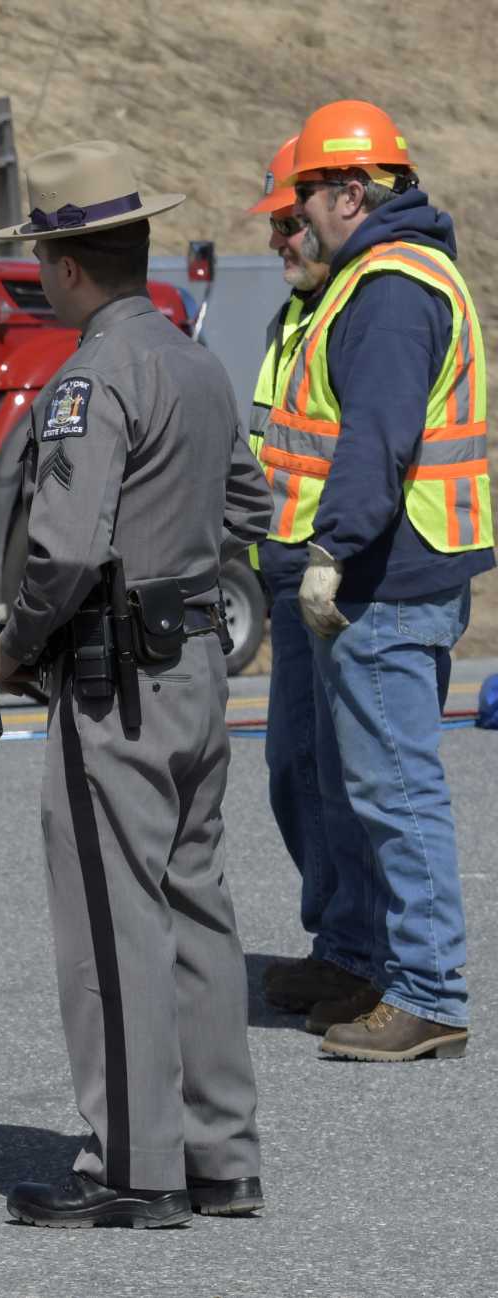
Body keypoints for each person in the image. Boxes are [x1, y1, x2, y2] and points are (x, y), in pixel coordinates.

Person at [0, 141, 270, 1227]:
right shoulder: (193, 360)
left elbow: (60, 548)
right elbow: (248, 503)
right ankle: (219, 1153)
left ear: (65, 266)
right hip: (193, 658)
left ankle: (133, 1164)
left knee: (112, 919)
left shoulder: (92, 374)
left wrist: (15, 644)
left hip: (114, 677)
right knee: (196, 906)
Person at [271, 102, 487, 1061]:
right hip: (387, 571)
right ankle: (365, 960)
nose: (300, 212)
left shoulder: (392, 288)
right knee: (360, 784)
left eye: (309, 193)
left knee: (396, 790)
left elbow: (378, 437)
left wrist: (333, 550)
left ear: (353, 193)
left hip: (388, 577)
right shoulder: (379, 276)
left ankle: (429, 993)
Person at [246, 136, 377, 1021]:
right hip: (288, 572)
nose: (278, 241)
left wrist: (333, 557)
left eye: (290, 224)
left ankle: (362, 955)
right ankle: (339, 942)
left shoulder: (362, 311)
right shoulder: (293, 318)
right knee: (295, 768)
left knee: (345, 776)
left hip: (343, 574)